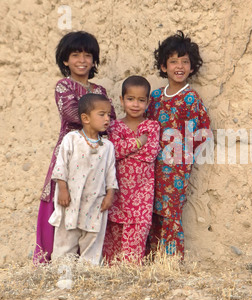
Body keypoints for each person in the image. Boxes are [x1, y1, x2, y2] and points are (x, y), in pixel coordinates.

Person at [33, 31, 116, 265]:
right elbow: (71, 114)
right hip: (70, 153)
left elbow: (111, 118)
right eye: (75, 54)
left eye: (88, 55)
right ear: (65, 60)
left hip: (97, 157)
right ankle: (53, 262)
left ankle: (87, 263)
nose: (82, 60)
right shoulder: (64, 86)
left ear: (94, 60)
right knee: (63, 199)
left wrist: (102, 119)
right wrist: (99, 118)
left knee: (91, 200)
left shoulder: (99, 91)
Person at [145, 31, 211, 259]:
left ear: (192, 67)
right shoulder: (154, 97)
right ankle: (152, 258)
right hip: (150, 167)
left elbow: (203, 132)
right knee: (151, 211)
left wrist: (181, 153)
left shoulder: (191, 99)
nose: (179, 66)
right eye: (173, 61)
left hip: (176, 170)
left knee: (170, 213)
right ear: (163, 66)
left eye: (185, 62)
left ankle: (171, 261)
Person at [48, 93, 118, 265]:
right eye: (101, 114)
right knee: (66, 237)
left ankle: (88, 274)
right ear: (86, 118)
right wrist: (62, 189)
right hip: (71, 200)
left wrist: (110, 195)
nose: (107, 119)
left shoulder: (107, 146)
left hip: (95, 202)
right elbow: (60, 166)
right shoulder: (71, 139)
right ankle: (63, 273)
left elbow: (111, 172)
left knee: (93, 238)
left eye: (108, 115)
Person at [102, 76, 160, 264]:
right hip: (117, 195)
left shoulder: (152, 126)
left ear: (148, 102)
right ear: (121, 100)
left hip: (141, 197)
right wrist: (137, 143)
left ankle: (132, 274)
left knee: (135, 242)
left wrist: (125, 149)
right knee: (113, 242)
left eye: (141, 100)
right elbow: (113, 151)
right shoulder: (114, 126)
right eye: (130, 99)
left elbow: (150, 154)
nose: (135, 104)